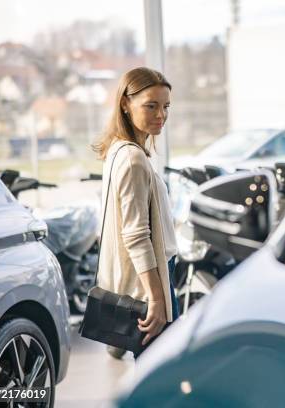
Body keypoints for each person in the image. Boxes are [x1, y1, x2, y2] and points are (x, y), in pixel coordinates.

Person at [92, 67, 179, 359]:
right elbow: (136, 236)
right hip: (150, 286)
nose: (161, 115)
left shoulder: (118, 150)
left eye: (166, 106)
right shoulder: (132, 159)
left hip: (144, 281)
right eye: (151, 106)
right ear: (126, 105)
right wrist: (156, 298)